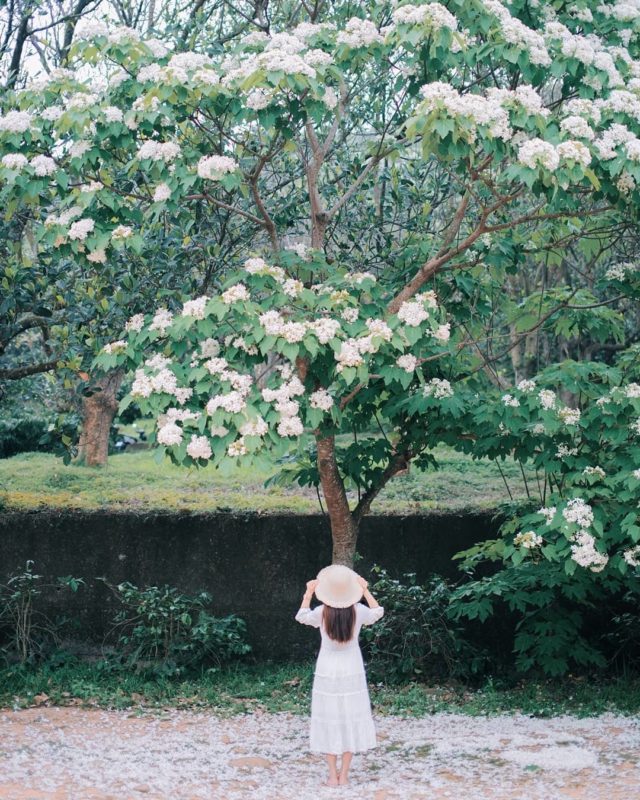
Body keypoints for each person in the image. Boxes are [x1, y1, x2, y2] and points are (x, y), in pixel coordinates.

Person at [295, 564, 384, 788]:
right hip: (352, 668)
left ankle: (331, 776)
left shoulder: (321, 613)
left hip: (327, 669)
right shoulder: (358, 611)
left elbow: (301, 615)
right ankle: (344, 776)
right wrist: (365, 590)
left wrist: (308, 593)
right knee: (350, 719)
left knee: (330, 719)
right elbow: (377, 612)